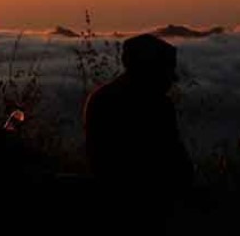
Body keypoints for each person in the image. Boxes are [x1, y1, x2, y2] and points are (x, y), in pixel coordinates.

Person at [82, 33, 193, 232]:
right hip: (148, 211)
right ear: (151, 71)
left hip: (106, 203)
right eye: (166, 74)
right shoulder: (157, 106)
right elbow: (174, 160)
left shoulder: (100, 99)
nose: (170, 83)